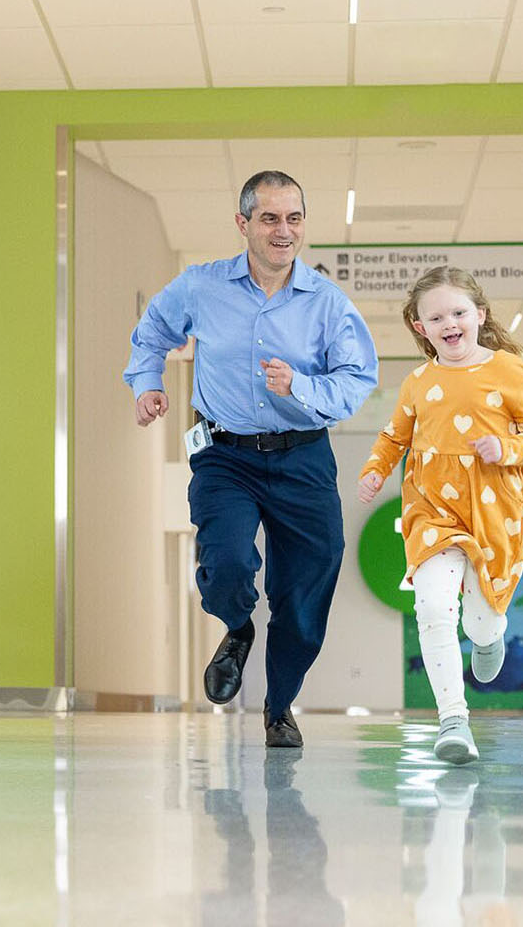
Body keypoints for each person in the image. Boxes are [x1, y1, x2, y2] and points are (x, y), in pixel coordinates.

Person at [125, 170, 378, 748]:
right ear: (243, 224)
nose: (282, 230)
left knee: (308, 586)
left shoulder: (327, 303)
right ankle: (237, 629)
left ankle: (280, 705)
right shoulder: (201, 287)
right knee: (231, 563)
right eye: (269, 218)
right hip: (226, 457)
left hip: (304, 457)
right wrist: (147, 384)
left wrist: (302, 388)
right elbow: (152, 333)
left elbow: (358, 378)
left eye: (293, 218)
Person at [358, 265, 523, 764]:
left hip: (495, 512)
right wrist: (376, 470)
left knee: (480, 622)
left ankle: (491, 636)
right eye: (436, 316)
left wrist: (505, 447)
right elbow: (394, 436)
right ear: (420, 328)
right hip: (431, 509)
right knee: (433, 609)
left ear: (480, 315)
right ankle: (452, 721)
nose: (450, 323)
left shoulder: (509, 371)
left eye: (459, 312)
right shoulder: (418, 382)